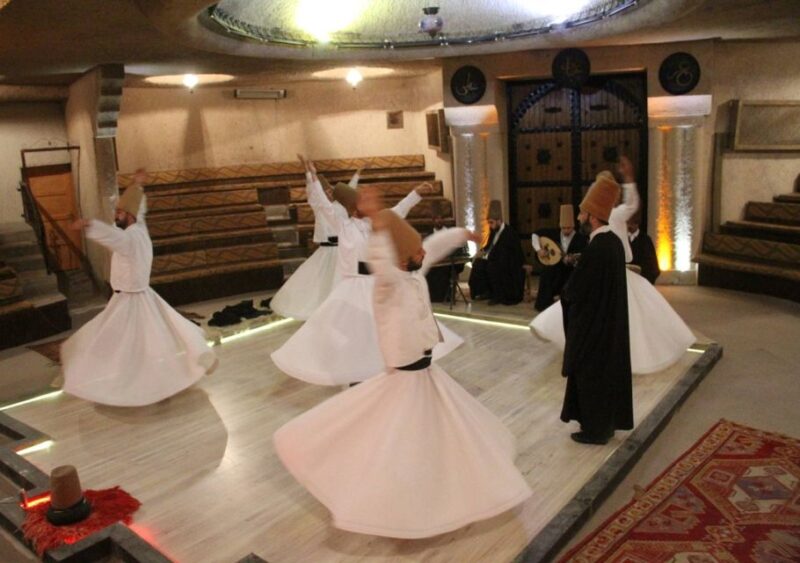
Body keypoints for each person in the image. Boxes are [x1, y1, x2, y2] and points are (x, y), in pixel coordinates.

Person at [273, 205, 532, 538]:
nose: (423, 253)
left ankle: (444, 485)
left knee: (446, 431)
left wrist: (459, 235)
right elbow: (382, 260)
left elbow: (434, 246)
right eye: (416, 251)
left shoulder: (413, 276)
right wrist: (381, 228)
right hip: (404, 377)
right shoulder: (388, 283)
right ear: (401, 257)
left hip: (425, 374)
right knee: (397, 438)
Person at [271, 157, 463, 385]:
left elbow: (399, 210)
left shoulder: (378, 221)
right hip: (352, 285)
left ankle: (387, 365)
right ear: (353, 207)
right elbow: (321, 204)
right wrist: (311, 177)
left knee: (382, 327)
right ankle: (355, 371)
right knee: (353, 330)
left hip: (375, 283)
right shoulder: (343, 225)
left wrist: (416, 193)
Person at [62, 170, 216, 407]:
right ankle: (148, 382)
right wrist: (137, 187)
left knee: (125, 343)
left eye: (120, 213)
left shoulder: (129, 239)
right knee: (142, 343)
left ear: (129, 217)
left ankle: (144, 386)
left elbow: (111, 236)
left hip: (132, 301)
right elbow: (139, 212)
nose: (116, 216)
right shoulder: (139, 229)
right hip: (135, 297)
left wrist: (88, 224)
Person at [531, 157, 694, 375]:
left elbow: (632, 205)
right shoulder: (602, 220)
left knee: (633, 320)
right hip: (604, 269)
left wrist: (628, 179)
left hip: (617, 271)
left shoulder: (613, 215)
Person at [560, 171, 632, 445]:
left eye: (582, 214)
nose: (579, 219)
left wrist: (565, 292)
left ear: (592, 216)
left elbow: (577, 290)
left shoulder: (598, 247)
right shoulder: (612, 243)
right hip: (608, 325)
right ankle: (605, 425)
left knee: (592, 378)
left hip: (593, 329)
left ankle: (595, 430)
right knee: (604, 377)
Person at [269, 165, 361, 320]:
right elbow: (313, 192)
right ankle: (325, 308)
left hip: (342, 249)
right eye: (326, 192)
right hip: (326, 250)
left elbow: (350, 189)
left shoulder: (340, 205)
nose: (329, 194)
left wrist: (358, 173)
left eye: (331, 192)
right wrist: (310, 174)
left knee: (342, 279)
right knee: (323, 281)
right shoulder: (320, 206)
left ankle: (343, 308)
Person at [532, 204, 588, 311]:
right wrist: (539, 250)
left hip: (571, 269)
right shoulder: (554, 233)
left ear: (573, 227)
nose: (566, 231)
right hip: (555, 267)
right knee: (546, 272)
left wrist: (572, 260)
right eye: (563, 228)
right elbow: (535, 235)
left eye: (569, 228)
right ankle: (545, 305)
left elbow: (584, 256)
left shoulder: (581, 238)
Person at [468, 200, 525, 305]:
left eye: (491, 222)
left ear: (499, 221)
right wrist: (481, 253)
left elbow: (511, 254)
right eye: (489, 222)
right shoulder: (493, 231)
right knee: (478, 264)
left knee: (492, 267)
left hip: (508, 263)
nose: (490, 225)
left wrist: (491, 257)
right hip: (494, 259)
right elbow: (490, 246)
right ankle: (483, 292)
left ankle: (497, 295)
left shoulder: (509, 233)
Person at [424, 199, 466, 302]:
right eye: (436, 219)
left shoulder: (450, 233)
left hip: (447, 267)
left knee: (443, 274)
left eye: (440, 218)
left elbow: (457, 251)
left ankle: (446, 296)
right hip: (434, 267)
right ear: (433, 220)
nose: (438, 221)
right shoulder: (429, 236)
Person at [627, 211, 660, 284]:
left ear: (637, 224)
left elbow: (652, 265)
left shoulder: (645, 240)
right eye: (628, 223)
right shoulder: (622, 238)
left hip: (641, 280)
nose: (630, 226)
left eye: (632, 223)